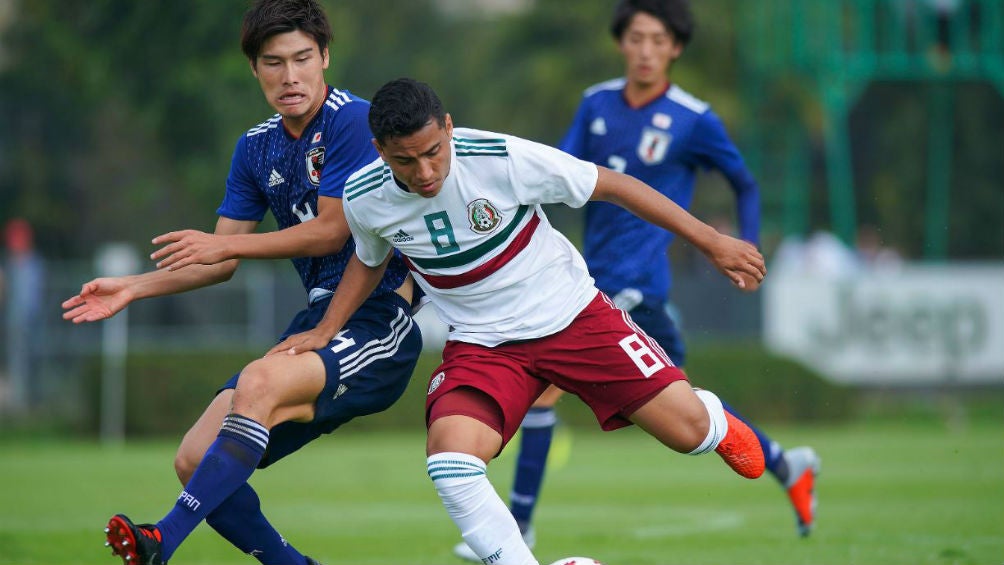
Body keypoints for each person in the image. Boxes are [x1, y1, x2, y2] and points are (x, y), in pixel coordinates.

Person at [269, 77, 768, 565]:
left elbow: (614, 185)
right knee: (450, 461)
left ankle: (709, 417)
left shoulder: (499, 158)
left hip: (573, 317)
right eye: (405, 160)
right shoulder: (365, 196)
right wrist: (326, 329)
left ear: (448, 127)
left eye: (433, 151)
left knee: (690, 435)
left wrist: (711, 241)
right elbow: (369, 258)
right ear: (379, 150)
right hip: (483, 345)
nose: (424, 171)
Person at [450, 3, 822, 558]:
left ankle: (521, 525)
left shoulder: (694, 117)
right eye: (636, 38)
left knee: (547, 391)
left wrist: (746, 245)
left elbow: (743, 182)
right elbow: (557, 166)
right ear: (621, 43)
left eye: (658, 40)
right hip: (586, 280)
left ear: (675, 48)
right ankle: (784, 463)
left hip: (637, 285)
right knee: (682, 407)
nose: (645, 50)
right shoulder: (596, 103)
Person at [60, 2, 422, 564]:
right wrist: (134, 286)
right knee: (193, 458)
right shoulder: (254, 147)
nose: (290, 76)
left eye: (303, 58)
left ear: (325, 57)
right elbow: (218, 260)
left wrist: (226, 243)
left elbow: (330, 232)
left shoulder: (355, 120)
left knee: (255, 382)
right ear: (254, 68)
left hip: (380, 320)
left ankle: (161, 541)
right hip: (316, 325)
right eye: (273, 62)